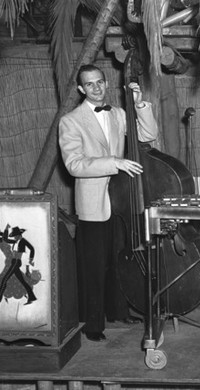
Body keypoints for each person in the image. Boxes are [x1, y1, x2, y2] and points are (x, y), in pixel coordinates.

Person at [59, 64, 158, 342]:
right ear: (81, 89)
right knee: (94, 265)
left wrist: (139, 105)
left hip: (121, 201)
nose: (97, 88)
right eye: (89, 84)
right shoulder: (70, 121)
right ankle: (93, 324)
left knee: (119, 259)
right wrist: (114, 162)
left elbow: (148, 136)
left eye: (100, 82)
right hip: (92, 203)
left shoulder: (118, 113)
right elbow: (74, 165)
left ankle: (119, 310)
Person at [0, 225, 37, 305]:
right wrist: (6, 229)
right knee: (22, 281)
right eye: (14, 236)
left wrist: (31, 259)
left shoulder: (23, 241)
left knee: (4, 279)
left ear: (19, 235)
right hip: (14, 262)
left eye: (15, 236)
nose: (14, 238)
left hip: (16, 262)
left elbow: (32, 248)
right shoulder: (15, 242)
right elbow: (5, 239)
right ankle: (32, 297)